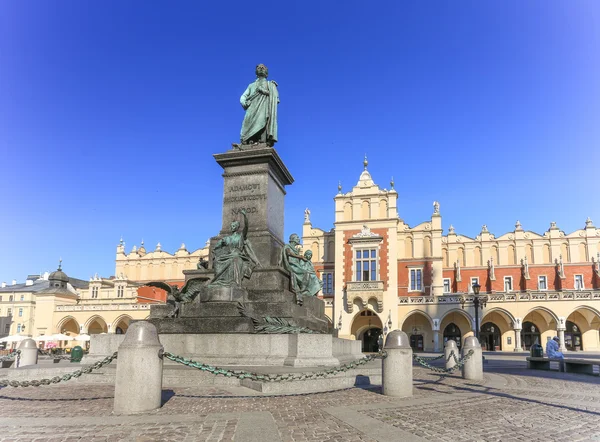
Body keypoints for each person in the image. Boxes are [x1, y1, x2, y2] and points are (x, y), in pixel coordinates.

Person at [209, 209, 260, 288]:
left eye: (233, 226)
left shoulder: (241, 237)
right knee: (218, 260)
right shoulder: (227, 238)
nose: (232, 227)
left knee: (235, 258)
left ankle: (235, 282)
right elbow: (216, 247)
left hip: (237, 254)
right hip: (228, 254)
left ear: (237, 227)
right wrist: (215, 251)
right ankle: (220, 280)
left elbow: (246, 227)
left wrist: (245, 216)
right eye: (231, 226)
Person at [239, 64, 279, 146]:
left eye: (263, 68)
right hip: (251, 108)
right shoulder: (251, 85)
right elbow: (243, 96)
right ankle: (248, 139)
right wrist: (244, 102)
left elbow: (275, 98)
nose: (261, 68)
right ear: (256, 72)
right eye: (259, 67)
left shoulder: (270, 84)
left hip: (263, 107)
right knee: (247, 123)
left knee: (262, 121)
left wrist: (264, 91)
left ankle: (261, 140)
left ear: (266, 72)